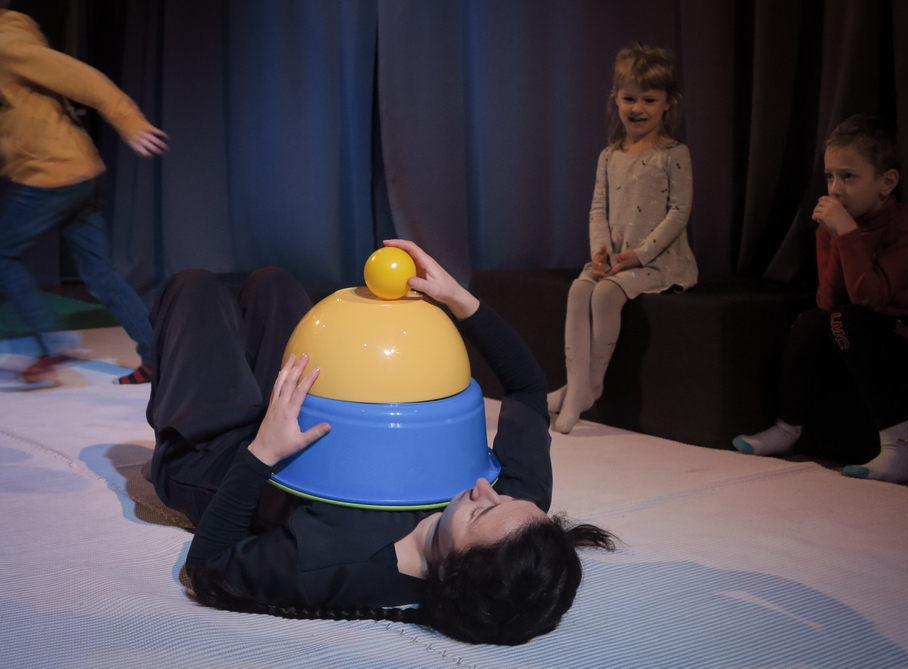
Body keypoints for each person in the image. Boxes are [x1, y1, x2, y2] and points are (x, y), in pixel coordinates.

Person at [147, 239, 617, 646]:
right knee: (274, 283)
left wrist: (262, 452)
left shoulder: (340, 562)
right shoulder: (518, 521)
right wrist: (459, 299)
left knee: (194, 288)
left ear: (449, 571)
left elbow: (206, 571)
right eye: (505, 498)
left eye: (478, 513)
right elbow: (527, 389)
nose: (485, 489)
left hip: (226, 463)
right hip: (317, 413)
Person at [733, 115, 908, 483]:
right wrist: (838, 237)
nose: (835, 190)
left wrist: (847, 235)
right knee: (812, 321)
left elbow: (870, 300)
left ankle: (902, 449)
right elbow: (828, 303)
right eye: (830, 177)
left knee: (849, 319)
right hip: (863, 333)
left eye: (849, 177)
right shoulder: (835, 227)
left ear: (887, 182)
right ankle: (787, 428)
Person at [0, 6, 167, 389]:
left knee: (2, 254)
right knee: (99, 273)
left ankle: (49, 345)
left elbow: (81, 77)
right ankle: (157, 359)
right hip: (77, 170)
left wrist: (129, 120)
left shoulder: (7, 44)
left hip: (55, 172)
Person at [549, 43, 697, 433]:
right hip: (615, 258)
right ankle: (576, 386)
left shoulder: (673, 154)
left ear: (668, 103)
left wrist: (640, 255)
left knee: (605, 295)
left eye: (649, 99)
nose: (638, 108)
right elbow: (598, 208)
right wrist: (600, 252)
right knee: (579, 291)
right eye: (629, 98)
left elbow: (679, 212)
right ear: (615, 98)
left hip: (657, 262)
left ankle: (590, 387)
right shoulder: (609, 155)